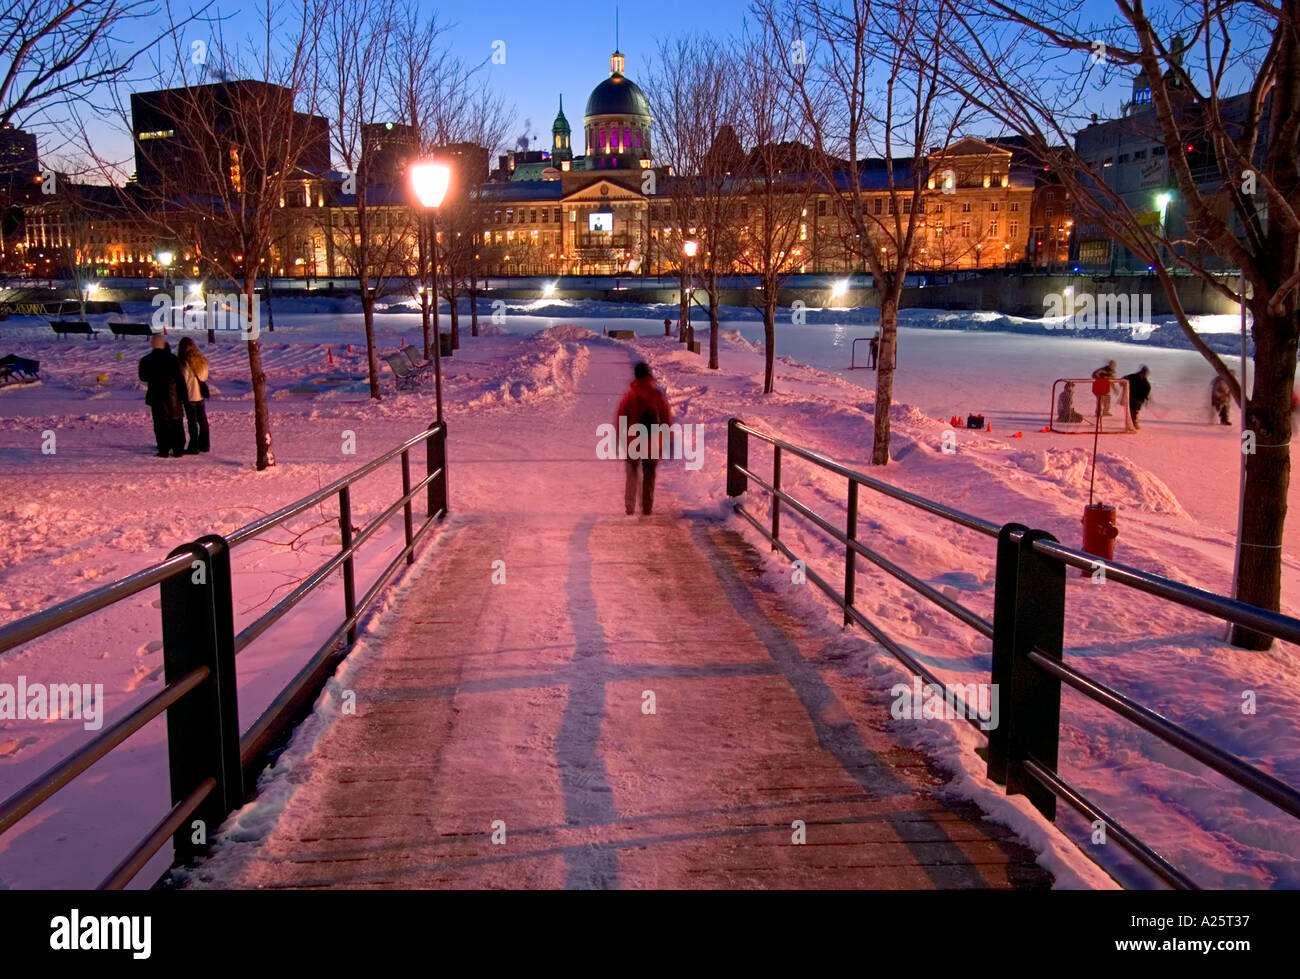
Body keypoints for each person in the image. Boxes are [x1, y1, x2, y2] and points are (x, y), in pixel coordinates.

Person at [615, 361, 673, 516]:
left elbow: (621, 418)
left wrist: (620, 438)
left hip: (632, 440)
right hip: (652, 441)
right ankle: (647, 507)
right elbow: (666, 418)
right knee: (649, 474)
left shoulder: (629, 396)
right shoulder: (657, 396)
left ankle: (630, 506)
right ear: (649, 375)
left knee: (632, 473)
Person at [138, 335, 187, 457]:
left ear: (152, 345)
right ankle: (178, 449)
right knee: (176, 421)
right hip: (173, 395)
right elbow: (180, 379)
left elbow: (143, 377)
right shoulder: (173, 359)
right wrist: (184, 395)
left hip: (156, 395)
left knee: (160, 423)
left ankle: (163, 449)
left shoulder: (146, 360)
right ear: (164, 344)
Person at [177, 336, 211, 453]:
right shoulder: (201, 360)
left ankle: (194, 446)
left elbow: (183, 379)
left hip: (190, 395)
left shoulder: (183, 362)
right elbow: (204, 376)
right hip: (200, 395)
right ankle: (205, 444)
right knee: (203, 420)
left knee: (192, 422)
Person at [1122, 365, 1151, 430]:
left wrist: (1146, 397)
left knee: (1135, 411)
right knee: (1133, 411)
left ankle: (1132, 424)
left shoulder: (1143, 380)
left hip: (1138, 398)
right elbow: (1123, 379)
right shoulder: (1134, 377)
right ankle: (1133, 424)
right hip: (1133, 397)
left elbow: (1147, 389)